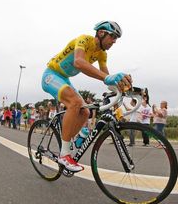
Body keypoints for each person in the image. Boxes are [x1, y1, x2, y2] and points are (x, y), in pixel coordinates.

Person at [41, 20, 131, 172]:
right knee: (75, 103)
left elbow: (106, 79)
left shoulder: (102, 54)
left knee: (85, 111)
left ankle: (70, 142)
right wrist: (106, 77)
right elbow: (79, 62)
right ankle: (64, 155)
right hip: (51, 74)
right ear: (101, 33)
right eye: (113, 36)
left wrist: (121, 85)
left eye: (116, 38)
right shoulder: (84, 40)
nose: (114, 41)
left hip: (64, 79)